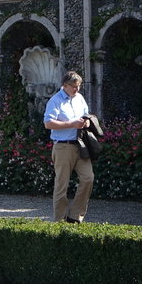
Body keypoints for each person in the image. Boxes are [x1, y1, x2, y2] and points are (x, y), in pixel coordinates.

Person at [43, 71, 95, 223]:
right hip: (63, 147)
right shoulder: (55, 101)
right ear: (64, 85)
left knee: (88, 178)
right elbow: (48, 123)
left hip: (80, 145)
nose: (77, 89)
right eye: (74, 86)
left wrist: (87, 122)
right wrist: (71, 124)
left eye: (79, 86)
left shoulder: (79, 98)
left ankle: (74, 216)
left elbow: (87, 116)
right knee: (61, 185)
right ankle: (59, 219)